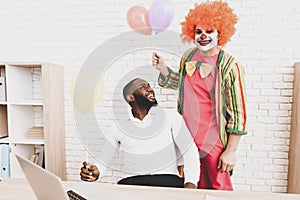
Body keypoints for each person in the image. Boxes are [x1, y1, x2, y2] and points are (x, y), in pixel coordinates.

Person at [152, 1, 247, 190]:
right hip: (186, 137)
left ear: (220, 33)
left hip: (213, 141)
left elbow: (238, 113)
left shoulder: (229, 65)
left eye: (209, 31)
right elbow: (183, 86)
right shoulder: (188, 57)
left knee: (218, 189)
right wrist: (163, 69)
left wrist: (230, 151)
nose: (203, 36)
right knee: (188, 187)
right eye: (198, 31)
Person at [80, 78, 200, 189]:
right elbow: (103, 160)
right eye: (143, 87)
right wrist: (94, 172)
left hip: (167, 180)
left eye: (149, 86)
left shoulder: (171, 117)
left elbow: (189, 150)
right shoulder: (118, 126)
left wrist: (190, 184)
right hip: (134, 183)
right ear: (131, 97)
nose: (150, 89)